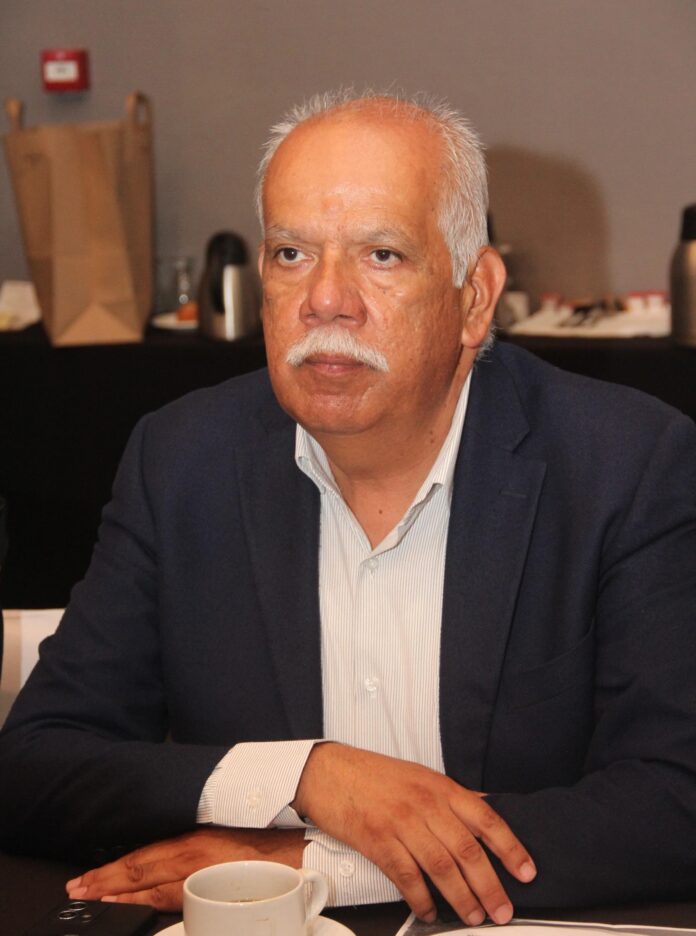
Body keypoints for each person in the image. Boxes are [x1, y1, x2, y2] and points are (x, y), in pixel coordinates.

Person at [1, 90, 695, 925]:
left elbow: (675, 801)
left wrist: (318, 861)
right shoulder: (182, 462)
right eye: (291, 253)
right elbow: (33, 765)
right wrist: (307, 776)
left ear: (475, 296)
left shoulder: (626, 465)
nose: (325, 299)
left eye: (382, 255)